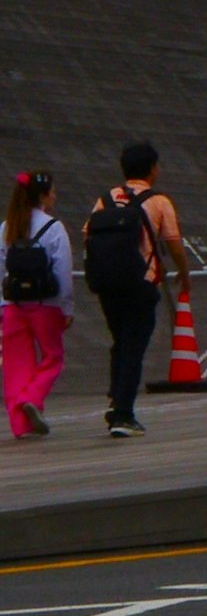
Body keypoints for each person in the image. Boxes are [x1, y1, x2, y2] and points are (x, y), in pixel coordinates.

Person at [85, 144, 189, 438]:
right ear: (152, 168)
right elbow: (173, 243)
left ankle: (116, 398)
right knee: (134, 346)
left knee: (120, 342)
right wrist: (184, 272)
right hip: (141, 283)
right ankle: (123, 415)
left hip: (108, 283)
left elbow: (87, 234)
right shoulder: (158, 201)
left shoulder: (106, 198)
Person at [2, 174, 68, 440]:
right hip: (45, 304)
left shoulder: (7, 227)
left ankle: (21, 425)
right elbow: (62, 271)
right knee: (53, 356)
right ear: (42, 196)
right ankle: (32, 397)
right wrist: (67, 308)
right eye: (52, 192)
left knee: (17, 365)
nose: (54, 196)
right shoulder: (53, 228)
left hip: (12, 305)